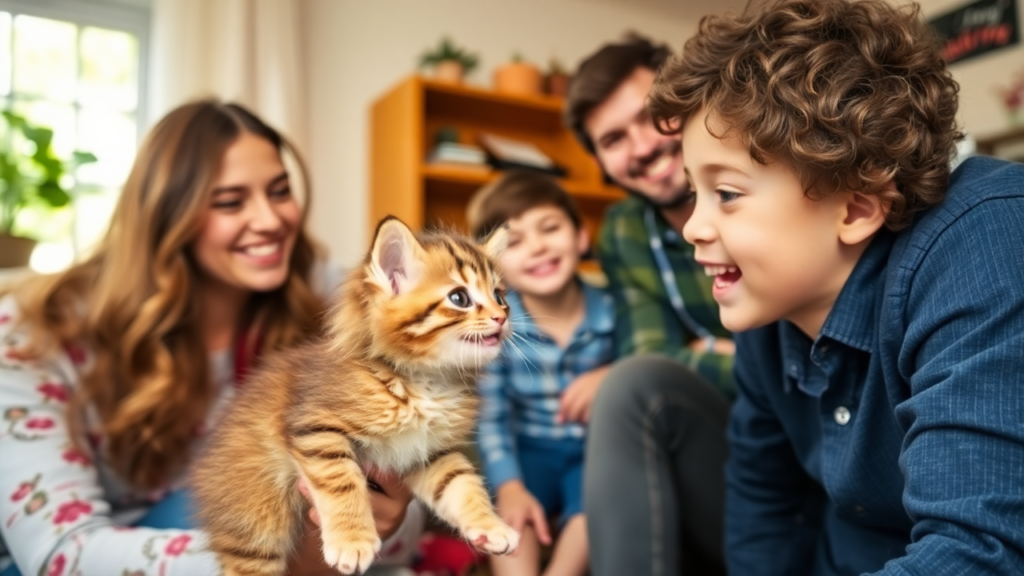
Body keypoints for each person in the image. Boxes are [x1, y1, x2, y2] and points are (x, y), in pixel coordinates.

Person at [647, 0, 1024, 573]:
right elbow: (761, 502)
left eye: (726, 194)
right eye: (693, 193)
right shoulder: (768, 304)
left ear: (856, 208)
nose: (694, 228)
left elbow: (978, 550)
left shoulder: (985, 239)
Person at [0, 100, 418, 576]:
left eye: (280, 191)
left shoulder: (327, 302)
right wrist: (276, 559)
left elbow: (405, 517)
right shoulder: (33, 331)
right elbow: (60, 555)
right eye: (230, 202)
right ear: (166, 216)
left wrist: (380, 520)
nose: (269, 220)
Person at [564, 34, 733, 574]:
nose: (640, 147)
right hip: (723, 448)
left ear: (683, 103)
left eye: (650, 116)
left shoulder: (758, 183)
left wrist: (705, 351)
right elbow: (650, 358)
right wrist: (718, 352)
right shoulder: (625, 231)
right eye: (613, 139)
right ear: (598, 161)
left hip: (813, 441)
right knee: (632, 386)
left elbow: (794, 362)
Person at [467, 170, 616, 576]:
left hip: (594, 452)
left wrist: (612, 374)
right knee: (504, 510)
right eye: (513, 241)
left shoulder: (614, 311)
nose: (537, 247)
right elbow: (492, 420)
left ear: (581, 237)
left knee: (599, 499)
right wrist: (510, 486)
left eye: (549, 228)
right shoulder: (496, 330)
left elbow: (641, 365)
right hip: (528, 450)